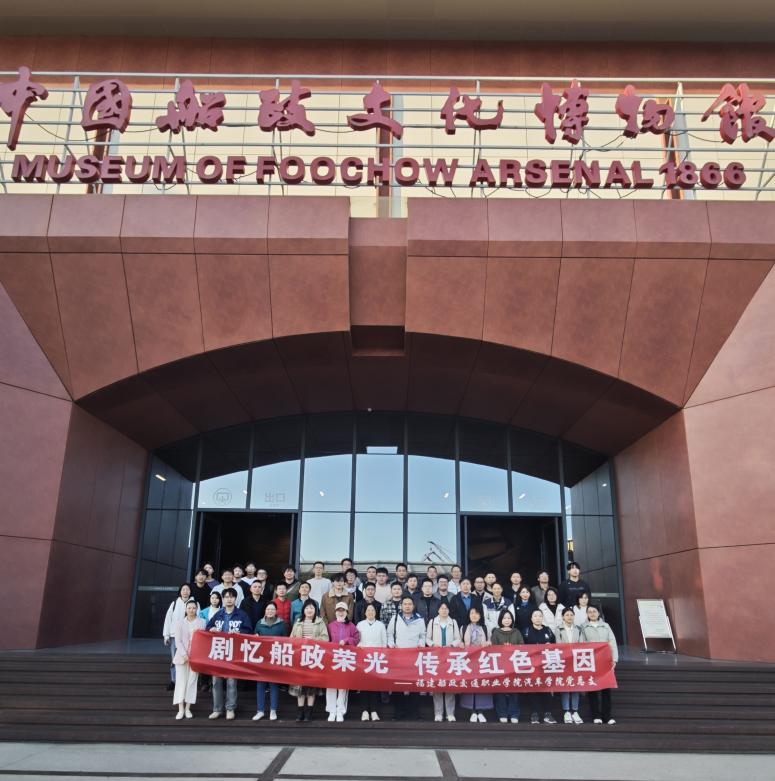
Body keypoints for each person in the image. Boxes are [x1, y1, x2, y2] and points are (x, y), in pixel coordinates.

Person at [205, 587, 253, 720]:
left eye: (231, 597)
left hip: (234, 653)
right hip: (219, 653)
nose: (229, 599)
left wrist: (239, 633)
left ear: (235, 599)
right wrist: (211, 629)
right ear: (223, 599)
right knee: (216, 681)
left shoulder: (242, 615)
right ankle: (217, 709)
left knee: (231, 681)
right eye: (226, 597)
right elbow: (207, 628)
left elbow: (249, 630)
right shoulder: (218, 614)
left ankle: (230, 708)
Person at [386, 596, 426, 720]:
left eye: (409, 604)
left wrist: (421, 643)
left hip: (414, 656)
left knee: (414, 685)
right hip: (398, 656)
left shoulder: (419, 619)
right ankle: (398, 712)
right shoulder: (395, 618)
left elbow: (423, 635)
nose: (407, 606)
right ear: (401, 606)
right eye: (405, 604)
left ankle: (414, 713)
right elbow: (389, 634)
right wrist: (391, 644)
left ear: (413, 606)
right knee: (398, 684)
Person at [289, 599, 328, 721]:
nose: (309, 610)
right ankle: (300, 712)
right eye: (307, 608)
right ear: (303, 610)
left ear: (315, 610)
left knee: (311, 686)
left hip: (314, 657)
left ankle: (309, 712)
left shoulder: (320, 622)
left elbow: (325, 638)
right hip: (299, 657)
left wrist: (313, 639)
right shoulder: (298, 622)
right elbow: (291, 638)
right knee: (299, 685)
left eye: (311, 608)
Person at [581, 604, 618, 725]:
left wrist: (614, 659)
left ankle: (607, 716)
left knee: (606, 689)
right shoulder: (583, 627)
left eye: (594, 611)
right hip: (591, 662)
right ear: (587, 614)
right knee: (592, 689)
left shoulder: (606, 626)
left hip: (605, 661)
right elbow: (582, 644)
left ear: (598, 613)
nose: (592, 614)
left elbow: (612, 642)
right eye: (590, 612)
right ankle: (596, 715)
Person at [425, 602, 461, 722]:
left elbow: (458, 639)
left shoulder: (453, 622)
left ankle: (450, 713)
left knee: (450, 684)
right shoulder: (432, 622)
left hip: (450, 657)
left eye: (446, 608)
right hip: (436, 657)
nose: (444, 610)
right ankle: (438, 713)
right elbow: (427, 638)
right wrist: (433, 644)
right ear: (438, 610)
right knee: (437, 685)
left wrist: (452, 645)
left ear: (449, 610)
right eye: (442, 608)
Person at [326, 601, 360, 721]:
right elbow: (326, 640)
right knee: (331, 685)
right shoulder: (330, 625)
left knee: (343, 685)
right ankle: (331, 711)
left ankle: (340, 710)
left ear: (347, 613)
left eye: (343, 611)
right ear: (335, 612)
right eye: (339, 611)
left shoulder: (351, 626)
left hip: (346, 658)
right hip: (332, 658)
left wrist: (347, 640)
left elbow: (356, 639)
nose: (341, 613)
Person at [252, 602, 286, 721]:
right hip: (261, 658)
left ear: (276, 611)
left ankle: (273, 710)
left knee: (273, 684)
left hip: (275, 658)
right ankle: (260, 711)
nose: (270, 611)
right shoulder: (259, 623)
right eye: (268, 609)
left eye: (272, 609)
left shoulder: (281, 624)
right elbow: (254, 637)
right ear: (265, 611)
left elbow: (285, 641)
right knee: (260, 684)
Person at [172, 598, 205, 719]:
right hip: (182, 657)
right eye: (189, 608)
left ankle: (188, 708)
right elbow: (178, 641)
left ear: (197, 609)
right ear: (185, 609)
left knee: (192, 682)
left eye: (194, 608)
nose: (191, 610)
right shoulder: (180, 622)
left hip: (195, 657)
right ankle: (180, 709)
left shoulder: (202, 622)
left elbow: (203, 640)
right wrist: (184, 654)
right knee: (181, 682)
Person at [522, 609, 557, 724]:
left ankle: (548, 713)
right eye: (535, 616)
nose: (538, 618)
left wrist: (550, 646)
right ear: (531, 618)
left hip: (546, 665)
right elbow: (521, 647)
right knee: (533, 689)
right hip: (531, 666)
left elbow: (555, 646)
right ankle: (534, 713)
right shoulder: (526, 631)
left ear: (542, 618)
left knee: (546, 688)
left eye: (540, 616)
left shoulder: (548, 630)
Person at [460, 607, 493, 722]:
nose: (474, 615)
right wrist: (460, 644)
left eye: (477, 613)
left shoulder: (485, 628)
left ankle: (481, 711)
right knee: (471, 684)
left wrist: (488, 643)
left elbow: (491, 641)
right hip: (468, 661)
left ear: (480, 616)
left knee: (481, 684)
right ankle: (472, 711)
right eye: (472, 613)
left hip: (482, 661)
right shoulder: (464, 628)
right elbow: (459, 641)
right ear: (468, 615)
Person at [490, 609, 523, 723]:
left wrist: (512, 648)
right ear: (501, 620)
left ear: (512, 619)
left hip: (514, 665)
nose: (507, 620)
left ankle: (514, 713)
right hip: (500, 665)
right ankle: (502, 713)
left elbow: (522, 647)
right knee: (501, 689)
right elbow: (493, 649)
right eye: (504, 618)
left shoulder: (517, 632)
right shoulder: (496, 632)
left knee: (514, 689)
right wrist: (503, 649)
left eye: (509, 618)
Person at [356, 602, 387, 721]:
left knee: (375, 685)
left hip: (377, 659)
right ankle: (364, 711)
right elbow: (357, 640)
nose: (370, 612)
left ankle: (374, 711)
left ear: (376, 612)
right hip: (364, 659)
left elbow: (384, 642)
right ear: (365, 612)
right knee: (364, 685)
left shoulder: (381, 625)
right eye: (368, 610)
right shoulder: (360, 624)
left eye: (373, 610)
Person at [556, 607, 583, 724]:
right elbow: (558, 645)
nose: (569, 617)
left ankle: (575, 710)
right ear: (563, 617)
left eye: (571, 615)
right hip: (564, 660)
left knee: (576, 684)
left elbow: (582, 644)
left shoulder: (579, 629)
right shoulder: (558, 629)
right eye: (567, 615)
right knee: (566, 685)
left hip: (576, 660)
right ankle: (566, 710)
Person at [163, 583, 192, 691]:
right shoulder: (174, 603)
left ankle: (184, 682)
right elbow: (168, 619)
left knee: (187, 659)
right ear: (180, 591)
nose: (185, 591)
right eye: (183, 589)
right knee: (175, 659)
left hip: (189, 638)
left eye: (187, 589)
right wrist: (166, 635)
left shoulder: (194, 603)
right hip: (175, 636)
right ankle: (173, 681)